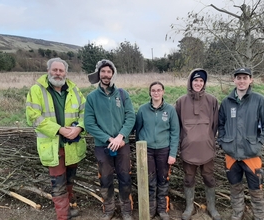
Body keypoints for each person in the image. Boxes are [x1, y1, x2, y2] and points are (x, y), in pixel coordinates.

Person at [26, 57, 87, 220]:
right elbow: (33, 117)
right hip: (52, 145)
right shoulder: (37, 90)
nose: (58, 73)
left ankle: (66, 210)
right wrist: (59, 130)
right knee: (58, 183)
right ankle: (63, 216)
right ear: (48, 71)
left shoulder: (74, 90)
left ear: (66, 73)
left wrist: (79, 127)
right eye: (55, 70)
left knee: (69, 180)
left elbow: (86, 112)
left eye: (61, 71)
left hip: (72, 145)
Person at [218, 67, 264, 220]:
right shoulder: (226, 102)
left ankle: (259, 216)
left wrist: (259, 143)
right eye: (238, 78)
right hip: (231, 154)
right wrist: (223, 142)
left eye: (245, 78)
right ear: (233, 80)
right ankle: (237, 214)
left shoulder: (259, 100)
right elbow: (220, 125)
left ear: (251, 80)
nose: (241, 81)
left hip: (251, 154)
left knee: (256, 189)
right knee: (235, 188)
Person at [84, 59, 136, 220]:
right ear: (99, 74)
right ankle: (109, 210)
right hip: (103, 147)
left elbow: (130, 116)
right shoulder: (92, 97)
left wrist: (121, 136)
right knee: (105, 179)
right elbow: (89, 124)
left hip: (122, 144)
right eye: (103, 72)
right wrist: (108, 139)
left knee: (125, 177)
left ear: (113, 74)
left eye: (109, 72)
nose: (106, 75)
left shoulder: (122, 94)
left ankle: (126, 210)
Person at [175, 68, 221, 220]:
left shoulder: (212, 101)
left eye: (201, 81)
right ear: (190, 82)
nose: (198, 83)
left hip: (206, 149)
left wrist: (208, 139)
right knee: (189, 178)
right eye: (195, 80)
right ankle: (189, 207)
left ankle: (212, 207)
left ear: (204, 83)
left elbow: (215, 125)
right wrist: (184, 142)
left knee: (209, 177)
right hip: (188, 150)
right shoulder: (181, 101)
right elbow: (177, 126)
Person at [135, 81, 180, 220]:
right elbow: (138, 129)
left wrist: (172, 153)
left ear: (163, 92)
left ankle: (162, 210)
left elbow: (175, 132)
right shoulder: (142, 109)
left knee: (163, 180)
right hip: (147, 150)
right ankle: (150, 209)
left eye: (159, 90)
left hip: (163, 150)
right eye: (153, 90)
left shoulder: (170, 110)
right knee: (150, 180)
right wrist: (140, 148)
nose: (156, 93)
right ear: (150, 92)